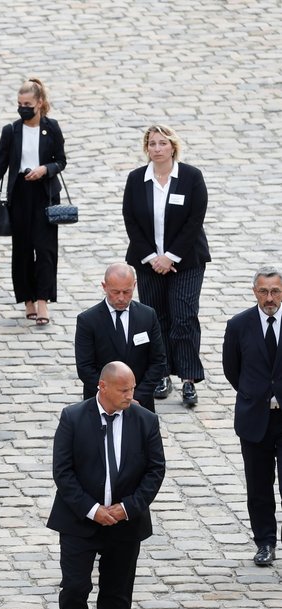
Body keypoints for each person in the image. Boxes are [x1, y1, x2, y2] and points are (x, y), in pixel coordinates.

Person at [47, 361, 166, 609]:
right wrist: (92, 510)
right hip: (79, 522)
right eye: (124, 390)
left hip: (125, 524)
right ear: (103, 387)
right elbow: (63, 472)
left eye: (132, 389)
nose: (130, 395)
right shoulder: (73, 417)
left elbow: (155, 471)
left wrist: (126, 508)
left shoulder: (145, 420)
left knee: (117, 595)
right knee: (75, 590)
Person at [123, 124, 209, 408]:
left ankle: (188, 378)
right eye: (152, 144)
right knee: (155, 320)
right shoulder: (137, 179)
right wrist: (152, 257)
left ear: (173, 146)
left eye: (162, 143)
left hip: (186, 261)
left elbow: (194, 220)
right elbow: (131, 221)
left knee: (183, 316)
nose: (157, 149)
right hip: (148, 263)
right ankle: (161, 373)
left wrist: (170, 256)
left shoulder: (191, 177)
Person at [0, 78, 67, 326]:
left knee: (46, 248)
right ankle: (27, 298)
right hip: (19, 195)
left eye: (27, 103)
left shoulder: (52, 128)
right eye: (19, 104)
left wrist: (44, 169)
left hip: (45, 193)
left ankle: (43, 300)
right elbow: (1, 164)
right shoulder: (12, 131)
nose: (23, 107)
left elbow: (61, 161)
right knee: (23, 249)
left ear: (39, 103)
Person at [223, 266, 282, 567]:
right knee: (258, 487)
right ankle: (265, 543)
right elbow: (232, 369)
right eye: (263, 291)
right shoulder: (238, 325)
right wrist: (255, 394)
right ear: (254, 291)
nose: (269, 298)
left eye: (275, 291)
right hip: (254, 418)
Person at [75, 263, 166, 412]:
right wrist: (113, 397)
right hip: (102, 404)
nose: (121, 298)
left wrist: (136, 396)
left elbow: (158, 361)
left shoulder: (147, 316)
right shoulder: (88, 320)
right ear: (104, 287)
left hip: (140, 403)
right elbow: (85, 367)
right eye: (115, 292)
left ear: (134, 285)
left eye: (127, 292)